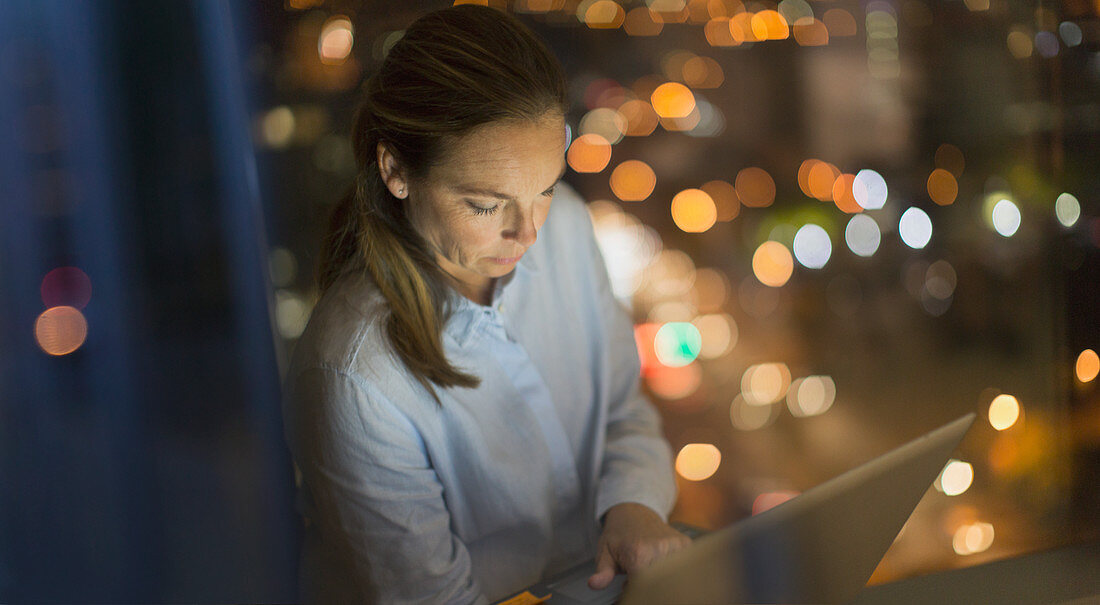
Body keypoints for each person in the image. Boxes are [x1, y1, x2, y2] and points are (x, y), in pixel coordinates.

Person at [281, 5, 690, 604]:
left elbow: (623, 411)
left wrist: (633, 505)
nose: (528, 233)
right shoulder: (354, 377)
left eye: (545, 189)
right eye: (484, 205)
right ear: (396, 170)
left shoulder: (568, 228)